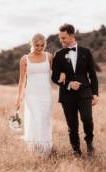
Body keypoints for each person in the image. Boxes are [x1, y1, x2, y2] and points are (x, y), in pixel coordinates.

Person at [51, 23, 99, 157]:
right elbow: (54, 77)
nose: (61, 41)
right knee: (72, 125)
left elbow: (92, 75)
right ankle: (75, 150)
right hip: (67, 96)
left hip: (85, 93)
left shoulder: (86, 52)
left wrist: (95, 93)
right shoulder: (58, 55)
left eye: (64, 38)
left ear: (72, 36)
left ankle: (90, 144)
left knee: (87, 118)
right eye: (60, 38)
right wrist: (68, 83)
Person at [15, 33, 53, 156]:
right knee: (37, 118)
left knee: (45, 120)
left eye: (42, 45)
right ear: (32, 44)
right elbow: (22, 80)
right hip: (31, 95)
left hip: (46, 94)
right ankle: (38, 149)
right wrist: (18, 98)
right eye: (37, 45)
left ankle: (46, 147)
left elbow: (56, 74)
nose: (40, 48)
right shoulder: (24, 59)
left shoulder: (49, 57)